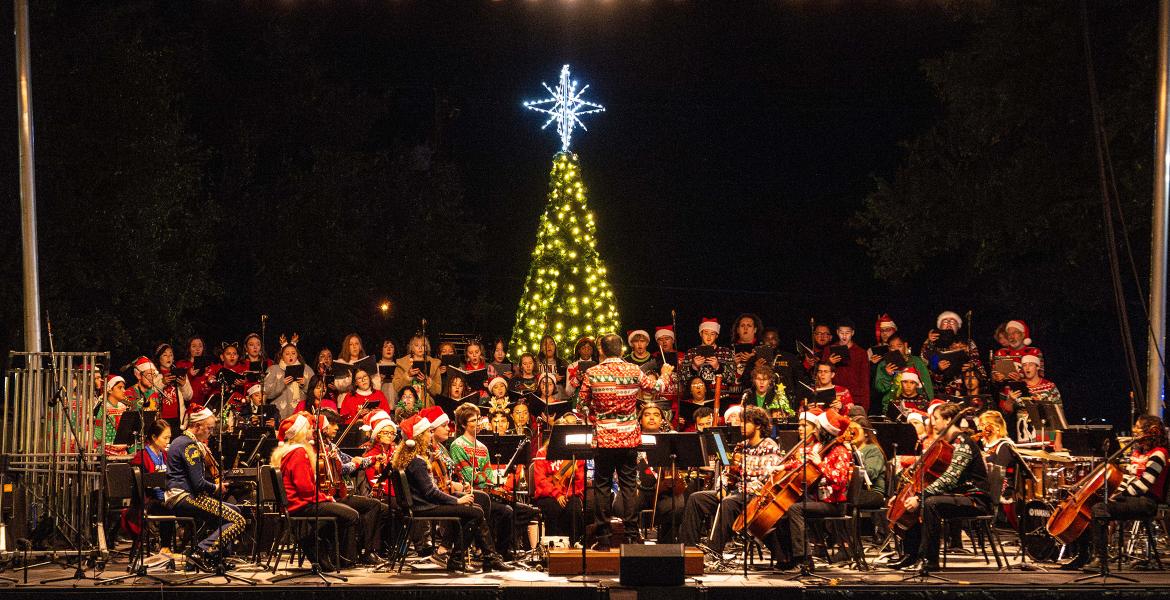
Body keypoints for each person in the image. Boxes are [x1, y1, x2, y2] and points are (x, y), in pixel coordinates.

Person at [577, 333, 673, 548]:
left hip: (603, 437)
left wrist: (595, 414)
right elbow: (657, 389)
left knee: (602, 486)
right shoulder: (633, 370)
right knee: (628, 486)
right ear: (621, 350)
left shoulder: (592, 373)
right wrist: (665, 375)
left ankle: (602, 538)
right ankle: (631, 535)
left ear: (601, 350)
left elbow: (581, 404)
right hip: (629, 436)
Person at [392, 412, 512, 573]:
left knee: (475, 507)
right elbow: (430, 493)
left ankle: (485, 557)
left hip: (425, 503)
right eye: (428, 431)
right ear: (420, 437)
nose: (430, 434)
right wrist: (456, 501)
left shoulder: (414, 458)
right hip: (425, 506)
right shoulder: (417, 462)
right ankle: (468, 558)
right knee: (474, 512)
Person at [887, 402, 991, 572]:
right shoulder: (946, 443)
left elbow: (950, 479)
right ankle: (911, 554)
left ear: (948, 419)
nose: (932, 422)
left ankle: (929, 560)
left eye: (936, 419)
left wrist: (920, 496)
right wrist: (905, 493)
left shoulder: (962, 443)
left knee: (930, 503)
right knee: (919, 501)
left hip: (974, 498)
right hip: (956, 495)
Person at [1059, 415, 1168, 571]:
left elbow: (1143, 485)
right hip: (1132, 498)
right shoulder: (1137, 453)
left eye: (1138, 428)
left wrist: (1116, 497)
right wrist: (1112, 493)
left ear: (1151, 432)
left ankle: (1101, 560)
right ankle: (1083, 555)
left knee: (1100, 509)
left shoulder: (1159, 454)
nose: (1134, 432)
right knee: (1090, 506)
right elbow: (1127, 478)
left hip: (1146, 502)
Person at [679, 405, 780, 557]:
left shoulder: (769, 445)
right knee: (696, 498)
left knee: (729, 502)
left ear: (758, 425)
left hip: (754, 496)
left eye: (746, 422)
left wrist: (739, 488)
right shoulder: (741, 447)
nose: (741, 426)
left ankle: (714, 552)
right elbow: (727, 473)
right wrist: (722, 488)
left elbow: (766, 478)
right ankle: (689, 550)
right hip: (736, 493)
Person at [271, 412, 363, 571]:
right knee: (351, 515)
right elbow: (305, 489)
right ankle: (333, 554)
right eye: (307, 429)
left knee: (342, 512)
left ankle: (325, 553)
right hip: (301, 505)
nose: (311, 431)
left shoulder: (289, 452)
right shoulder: (299, 453)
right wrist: (326, 497)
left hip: (297, 504)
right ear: (300, 432)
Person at [443, 404, 537, 558]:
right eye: (473, 420)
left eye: (479, 419)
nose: (478, 422)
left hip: (486, 491)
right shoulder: (457, 445)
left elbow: (487, 475)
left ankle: (501, 551)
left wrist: (489, 479)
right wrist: (484, 477)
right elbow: (469, 476)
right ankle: (497, 553)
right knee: (506, 511)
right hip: (472, 494)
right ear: (463, 424)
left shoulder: (483, 447)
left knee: (525, 510)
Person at [164, 404, 247, 569]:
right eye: (208, 428)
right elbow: (198, 483)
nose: (210, 432)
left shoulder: (183, 441)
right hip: (183, 497)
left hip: (184, 495)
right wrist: (216, 488)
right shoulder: (188, 445)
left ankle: (216, 558)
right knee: (238, 521)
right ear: (196, 426)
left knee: (235, 511)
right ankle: (200, 552)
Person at [771, 408, 854, 569]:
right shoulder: (824, 449)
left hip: (834, 504)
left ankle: (805, 558)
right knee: (782, 509)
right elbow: (801, 464)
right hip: (819, 499)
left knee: (795, 509)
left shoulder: (840, 451)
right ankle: (787, 557)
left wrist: (820, 464)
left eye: (818, 428)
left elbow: (839, 480)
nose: (815, 431)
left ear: (826, 431)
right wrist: (783, 467)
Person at [317, 412, 389, 562]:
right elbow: (343, 468)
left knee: (379, 506)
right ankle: (367, 552)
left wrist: (373, 459)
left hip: (340, 493)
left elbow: (350, 460)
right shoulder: (319, 449)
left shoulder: (331, 446)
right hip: (332, 496)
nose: (337, 428)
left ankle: (366, 549)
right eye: (333, 424)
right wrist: (355, 464)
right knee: (374, 505)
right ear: (323, 427)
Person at [532, 417, 586, 545]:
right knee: (553, 508)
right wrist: (557, 494)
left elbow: (580, 481)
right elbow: (540, 481)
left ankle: (574, 543)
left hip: (569, 494)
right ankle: (553, 547)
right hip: (549, 495)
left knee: (574, 508)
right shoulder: (543, 453)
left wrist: (567, 494)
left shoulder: (575, 454)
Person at [122, 419, 174, 551]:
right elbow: (138, 485)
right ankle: (166, 547)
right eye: (165, 438)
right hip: (147, 500)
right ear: (154, 437)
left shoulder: (166, 455)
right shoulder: (142, 456)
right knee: (167, 508)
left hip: (165, 496)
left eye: (169, 438)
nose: (168, 441)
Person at [921, 311, 985, 397]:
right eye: (945, 321)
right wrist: (938, 367)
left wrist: (971, 366)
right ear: (939, 326)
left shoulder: (967, 342)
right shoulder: (932, 343)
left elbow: (978, 364)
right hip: (941, 389)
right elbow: (926, 364)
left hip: (963, 389)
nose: (948, 324)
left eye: (952, 321)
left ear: (958, 326)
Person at [1006, 354, 1062, 442]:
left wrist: (1057, 440)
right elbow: (1008, 410)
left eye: (1031, 364)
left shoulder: (1049, 386)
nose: (1027, 368)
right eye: (1024, 365)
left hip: (1046, 432)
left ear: (1037, 367)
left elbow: (1057, 414)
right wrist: (1010, 400)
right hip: (1024, 435)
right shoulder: (1017, 386)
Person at [679, 319, 735, 395]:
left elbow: (731, 379)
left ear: (717, 335)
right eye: (706, 333)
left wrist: (718, 367)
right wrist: (694, 367)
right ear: (700, 334)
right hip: (697, 397)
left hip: (721, 396)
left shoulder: (726, 352)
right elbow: (683, 380)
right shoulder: (691, 353)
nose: (709, 337)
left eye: (712, 334)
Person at [826, 319, 870, 413]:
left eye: (847, 333)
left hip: (855, 398)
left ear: (853, 333)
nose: (844, 336)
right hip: (834, 396)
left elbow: (864, 379)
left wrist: (865, 404)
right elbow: (821, 373)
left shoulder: (861, 352)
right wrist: (829, 363)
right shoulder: (829, 350)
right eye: (841, 333)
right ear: (837, 332)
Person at [263, 343, 312, 420]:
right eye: (287, 354)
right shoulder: (273, 369)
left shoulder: (306, 369)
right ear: (281, 356)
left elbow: (315, 390)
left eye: (293, 353)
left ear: (297, 355)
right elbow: (265, 392)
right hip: (279, 414)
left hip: (301, 414)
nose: (290, 356)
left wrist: (305, 384)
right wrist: (281, 383)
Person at [848, 416, 887, 510]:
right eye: (849, 430)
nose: (851, 433)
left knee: (843, 499)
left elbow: (870, 474)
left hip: (872, 492)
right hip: (854, 490)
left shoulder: (873, 450)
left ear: (866, 433)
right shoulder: (847, 449)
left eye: (855, 430)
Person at [392, 334, 443, 406]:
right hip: (407, 405)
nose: (420, 348)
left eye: (423, 345)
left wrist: (429, 382)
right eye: (416, 345)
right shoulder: (402, 363)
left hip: (427, 405)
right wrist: (408, 376)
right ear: (411, 348)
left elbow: (438, 391)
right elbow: (397, 387)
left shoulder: (434, 364)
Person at [155, 343, 192, 433]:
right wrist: (162, 382)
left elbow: (189, 396)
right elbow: (151, 393)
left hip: (177, 419)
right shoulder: (155, 375)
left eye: (171, 355)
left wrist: (183, 384)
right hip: (161, 419)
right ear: (159, 358)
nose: (169, 357)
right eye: (165, 355)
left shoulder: (180, 373)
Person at [361, 410, 397, 498]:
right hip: (383, 494)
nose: (389, 436)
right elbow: (376, 482)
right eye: (386, 433)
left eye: (392, 433)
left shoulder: (395, 451)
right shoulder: (371, 455)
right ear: (377, 434)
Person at [373, 338, 400, 405]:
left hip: (395, 402)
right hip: (380, 403)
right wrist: (379, 380)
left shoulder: (399, 367)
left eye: (391, 347)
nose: (388, 349)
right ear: (381, 350)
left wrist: (397, 380)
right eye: (385, 347)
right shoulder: (375, 367)